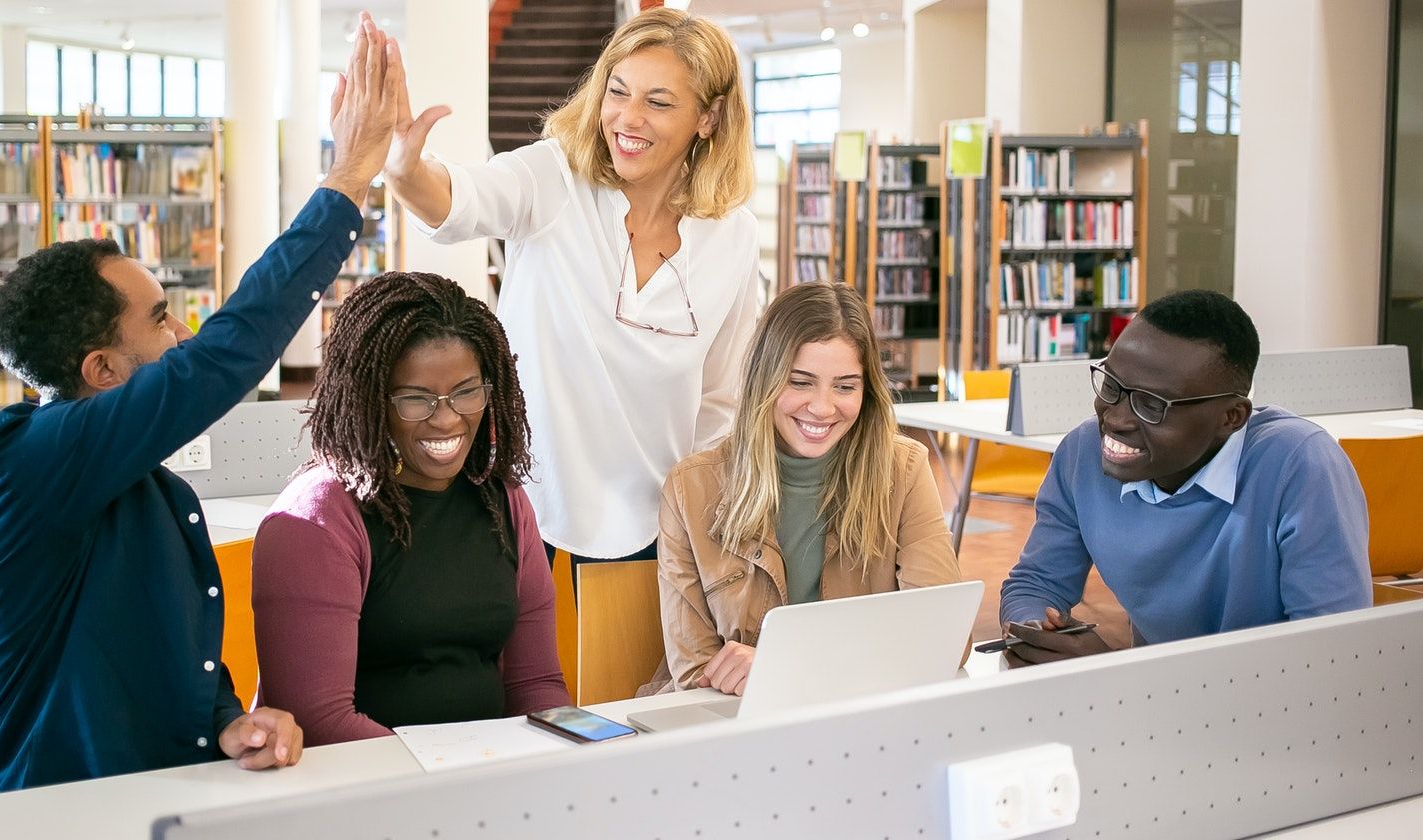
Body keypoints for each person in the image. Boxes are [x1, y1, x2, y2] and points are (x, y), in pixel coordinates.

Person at [0, 15, 400, 795]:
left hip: (169, 800)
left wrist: (230, 719)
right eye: (161, 319)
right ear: (100, 369)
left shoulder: (151, 489)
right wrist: (347, 181)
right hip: (56, 814)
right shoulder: (25, 458)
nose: (183, 334)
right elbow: (223, 357)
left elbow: (166, 651)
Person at [382, 7, 760, 563]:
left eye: (658, 102)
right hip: (521, 506)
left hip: (657, 524)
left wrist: (702, 522)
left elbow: (721, 400)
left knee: (629, 655)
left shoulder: (733, 235)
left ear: (709, 117)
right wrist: (405, 172)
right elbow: (463, 199)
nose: (627, 119)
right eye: (618, 91)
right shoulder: (555, 178)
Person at [251, 271, 570, 746]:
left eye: (466, 392)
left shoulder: (503, 499)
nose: (446, 418)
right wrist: (453, 776)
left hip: (485, 778)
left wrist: (572, 749)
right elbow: (318, 721)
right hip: (369, 789)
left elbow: (535, 685)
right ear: (370, 399)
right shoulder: (315, 519)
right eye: (416, 399)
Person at [999, 290, 1373, 668]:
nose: (1115, 419)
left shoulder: (1300, 465)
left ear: (1231, 417)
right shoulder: (1083, 451)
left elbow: (1330, 659)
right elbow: (1036, 582)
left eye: (1151, 405)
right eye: (1111, 385)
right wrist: (1035, 629)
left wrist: (1113, 671)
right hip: (1158, 710)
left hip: (1274, 714)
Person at [644, 283, 962, 696]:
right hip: (733, 724)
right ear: (766, 380)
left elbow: (946, 639)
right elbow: (695, 674)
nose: (823, 407)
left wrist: (787, 666)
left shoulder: (905, 470)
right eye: (800, 382)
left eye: (845, 386)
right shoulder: (691, 489)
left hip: (859, 714)